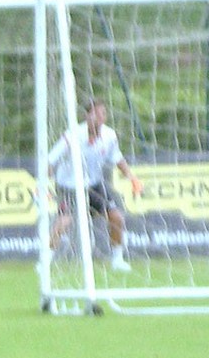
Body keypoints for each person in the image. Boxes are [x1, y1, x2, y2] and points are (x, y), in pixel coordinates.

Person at [44, 98, 144, 273]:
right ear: (87, 116)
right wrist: (43, 183)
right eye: (95, 113)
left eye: (103, 113)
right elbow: (51, 160)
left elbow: (117, 158)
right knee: (65, 220)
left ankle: (117, 260)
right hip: (68, 186)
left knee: (116, 217)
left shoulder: (109, 136)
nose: (99, 117)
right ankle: (45, 260)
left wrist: (131, 178)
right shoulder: (73, 135)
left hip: (93, 185)